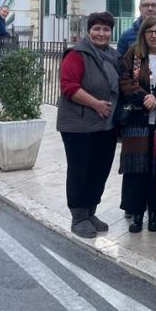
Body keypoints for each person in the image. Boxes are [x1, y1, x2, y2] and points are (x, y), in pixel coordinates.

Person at [56, 13, 121, 239]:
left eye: (105, 29)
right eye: (97, 29)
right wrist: (95, 104)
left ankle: (91, 211)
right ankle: (78, 216)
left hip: (105, 125)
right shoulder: (76, 55)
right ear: (88, 31)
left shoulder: (113, 56)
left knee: (99, 170)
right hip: (79, 125)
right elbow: (68, 86)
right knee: (80, 170)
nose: (101, 33)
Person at [118, 16, 156, 234]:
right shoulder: (134, 55)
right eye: (150, 31)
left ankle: (155, 213)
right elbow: (125, 80)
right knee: (136, 168)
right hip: (137, 120)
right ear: (143, 34)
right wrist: (145, 97)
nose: (154, 35)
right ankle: (136, 213)